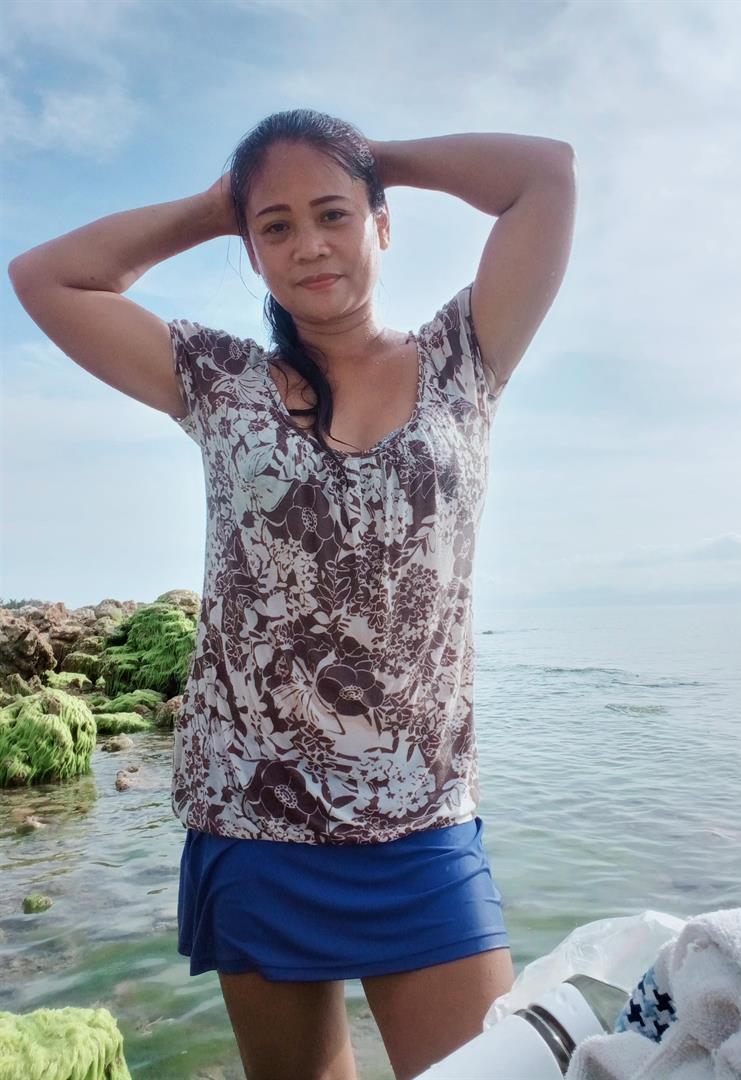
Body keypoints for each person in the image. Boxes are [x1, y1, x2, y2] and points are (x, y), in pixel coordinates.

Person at [7, 109, 578, 1080]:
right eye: (276, 227)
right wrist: (221, 204)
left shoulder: (465, 357)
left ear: (381, 225)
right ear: (251, 249)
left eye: (334, 214)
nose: (309, 244)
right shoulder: (220, 381)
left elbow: (546, 174)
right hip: (253, 816)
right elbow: (44, 276)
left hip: (424, 821)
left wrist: (374, 160)